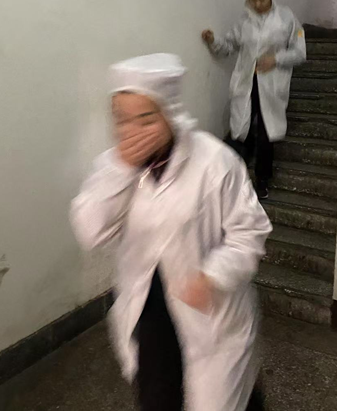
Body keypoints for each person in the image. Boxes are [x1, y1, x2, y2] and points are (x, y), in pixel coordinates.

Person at [70, 54, 272, 411]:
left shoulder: (215, 162)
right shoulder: (113, 166)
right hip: (149, 309)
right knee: (158, 395)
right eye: (122, 119)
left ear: (170, 113)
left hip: (210, 306)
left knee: (226, 395)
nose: (131, 130)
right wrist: (121, 169)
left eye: (146, 118)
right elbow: (90, 230)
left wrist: (214, 275)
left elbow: (250, 231)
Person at [201, 0, 306, 199]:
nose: (257, 4)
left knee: (266, 133)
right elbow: (229, 46)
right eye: (253, 0)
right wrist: (213, 40)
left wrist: (275, 59)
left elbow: (300, 52)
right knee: (242, 130)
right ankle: (235, 181)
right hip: (247, 82)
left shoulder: (286, 18)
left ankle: (262, 180)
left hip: (272, 83)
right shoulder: (244, 21)